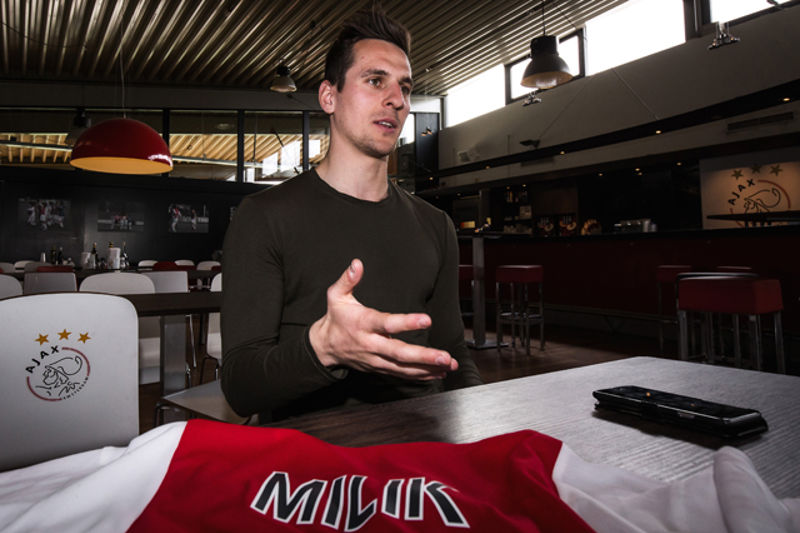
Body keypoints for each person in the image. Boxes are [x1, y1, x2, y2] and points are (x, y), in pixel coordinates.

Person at [221, 7, 482, 422]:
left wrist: (480, 428)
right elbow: (240, 385)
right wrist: (323, 349)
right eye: (376, 80)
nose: (397, 100)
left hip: (422, 441)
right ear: (329, 97)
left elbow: (453, 353)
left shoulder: (436, 225)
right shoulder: (264, 217)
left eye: (405, 88)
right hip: (313, 449)